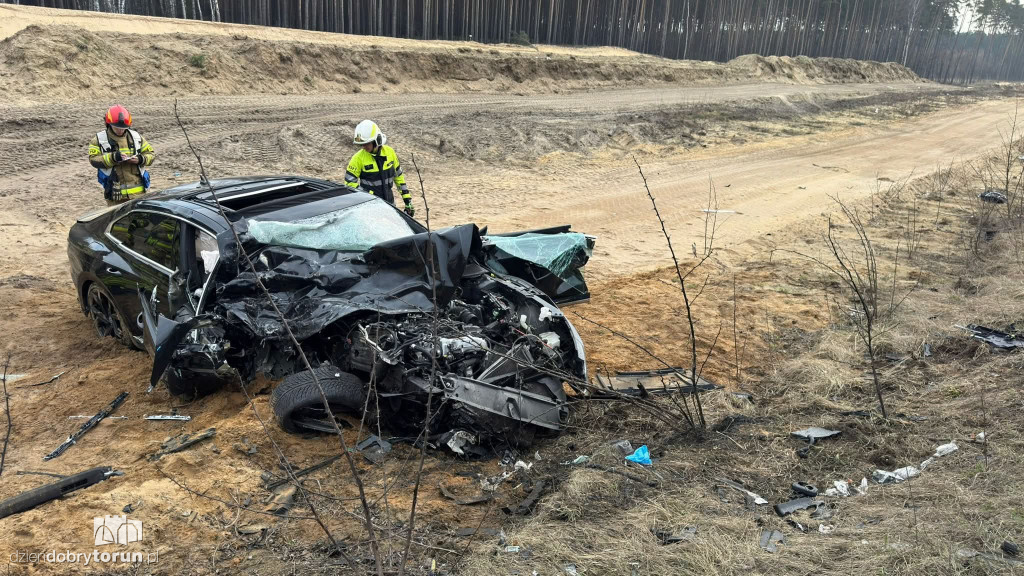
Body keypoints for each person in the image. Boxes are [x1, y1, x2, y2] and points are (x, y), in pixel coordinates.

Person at [344, 120, 414, 216]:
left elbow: (399, 177)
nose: (364, 147)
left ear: (377, 140)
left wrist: (407, 200)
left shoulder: (390, 153)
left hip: (390, 204)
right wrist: (368, 194)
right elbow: (349, 184)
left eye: (367, 143)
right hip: (369, 207)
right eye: (362, 144)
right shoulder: (357, 158)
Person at [88, 105, 155, 205]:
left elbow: (151, 155)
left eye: (123, 128)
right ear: (108, 124)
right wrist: (113, 157)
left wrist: (140, 159)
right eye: (117, 128)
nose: (120, 130)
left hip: (139, 193)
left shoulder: (136, 137)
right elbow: (93, 160)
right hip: (115, 195)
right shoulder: (99, 140)